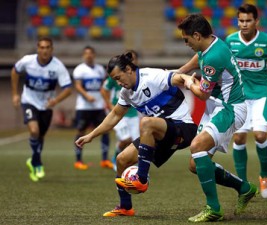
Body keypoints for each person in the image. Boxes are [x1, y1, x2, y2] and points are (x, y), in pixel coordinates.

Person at [75, 52, 198, 217]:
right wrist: (91, 135)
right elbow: (114, 116)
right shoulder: (126, 93)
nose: (118, 83)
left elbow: (178, 77)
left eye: (119, 78)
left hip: (183, 129)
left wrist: (188, 80)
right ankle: (125, 207)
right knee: (121, 160)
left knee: (146, 122)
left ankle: (141, 179)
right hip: (158, 133)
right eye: (115, 80)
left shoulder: (151, 76)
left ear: (128, 69)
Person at [176, 14, 258, 222]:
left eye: (187, 40)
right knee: (195, 165)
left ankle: (213, 209)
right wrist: (182, 70)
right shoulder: (210, 43)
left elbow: (202, 93)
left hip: (231, 109)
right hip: (216, 106)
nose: (186, 44)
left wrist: (187, 81)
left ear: (196, 35)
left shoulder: (214, 56)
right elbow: (198, 58)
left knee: (196, 147)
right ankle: (244, 188)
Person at [225, 4, 267, 199]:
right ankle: (242, 184)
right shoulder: (230, 41)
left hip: (262, 93)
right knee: (238, 138)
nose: (244, 24)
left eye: (248, 21)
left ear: (256, 22)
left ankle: (265, 175)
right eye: (241, 21)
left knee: (260, 136)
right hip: (240, 96)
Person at [11, 37, 72, 182]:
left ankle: (33, 160)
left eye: (47, 47)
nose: (44, 50)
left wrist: (56, 100)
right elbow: (15, 71)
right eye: (42, 47)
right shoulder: (27, 61)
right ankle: (38, 163)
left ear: (52, 49)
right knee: (34, 131)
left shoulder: (58, 66)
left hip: (46, 106)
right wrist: (14, 94)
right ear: (38, 49)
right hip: (28, 101)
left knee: (41, 136)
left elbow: (68, 89)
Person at [72, 46, 112, 170]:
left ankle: (104, 159)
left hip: (99, 106)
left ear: (94, 55)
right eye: (86, 53)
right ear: (83, 55)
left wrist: (106, 100)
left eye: (91, 53)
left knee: (105, 130)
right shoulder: (80, 69)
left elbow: (104, 87)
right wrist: (87, 95)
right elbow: (77, 86)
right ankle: (78, 160)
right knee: (81, 132)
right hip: (84, 107)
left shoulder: (100, 69)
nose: (89, 55)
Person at [101, 50, 140, 171]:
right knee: (125, 139)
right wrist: (109, 105)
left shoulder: (138, 76)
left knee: (136, 142)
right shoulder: (117, 74)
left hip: (133, 113)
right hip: (118, 111)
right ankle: (115, 158)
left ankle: (134, 166)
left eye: (133, 59)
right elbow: (104, 90)